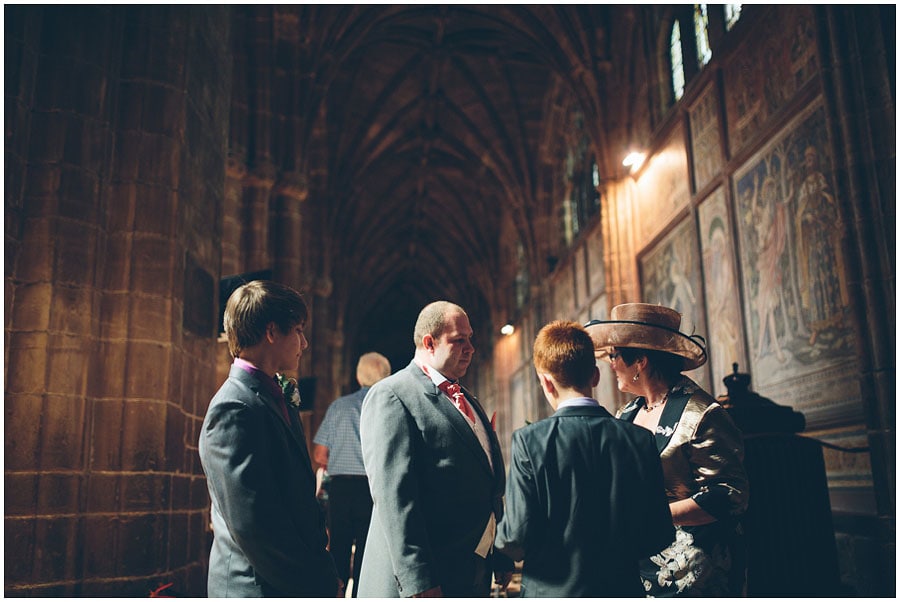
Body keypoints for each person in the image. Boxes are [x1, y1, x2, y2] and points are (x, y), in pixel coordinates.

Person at [494, 320, 674, 597]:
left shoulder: (530, 442)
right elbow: (658, 534)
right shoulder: (639, 439)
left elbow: (515, 536)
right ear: (595, 376)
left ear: (545, 381)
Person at [585, 303, 749, 597]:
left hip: (694, 570)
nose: (610, 364)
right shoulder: (628, 414)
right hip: (637, 563)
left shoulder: (701, 413)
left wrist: (654, 514)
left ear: (641, 361)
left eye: (615, 356)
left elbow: (729, 494)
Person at [358, 301, 514, 597]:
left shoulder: (468, 399)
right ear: (429, 343)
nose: (470, 348)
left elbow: (488, 479)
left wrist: (500, 550)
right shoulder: (392, 395)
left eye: (470, 338)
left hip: (468, 569)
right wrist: (419, 580)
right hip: (430, 576)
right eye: (459, 340)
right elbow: (395, 499)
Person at [198, 280, 341, 597]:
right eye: (299, 331)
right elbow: (255, 527)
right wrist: (314, 585)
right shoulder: (234, 408)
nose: (304, 343)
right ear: (272, 332)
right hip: (258, 587)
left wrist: (325, 568)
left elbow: (298, 500)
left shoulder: (272, 395)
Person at [313, 352, 392, 597]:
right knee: (369, 552)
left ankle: (333, 594)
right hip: (373, 489)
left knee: (338, 546)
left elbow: (319, 454)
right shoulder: (389, 407)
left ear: (358, 376)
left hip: (342, 489)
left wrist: (341, 457)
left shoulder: (339, 406)